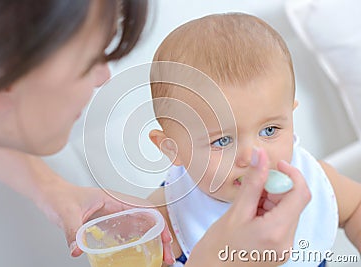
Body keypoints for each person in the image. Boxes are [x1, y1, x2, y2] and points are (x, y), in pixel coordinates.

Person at [0, 1, 311, 267]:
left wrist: (54, 191)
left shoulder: (309, 180)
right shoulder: (171, 220)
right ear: (3, 68)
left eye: (269, 129)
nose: (104, 77)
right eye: (91, 57)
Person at [148, 13, 361, 266]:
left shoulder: (314, 180)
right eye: (223, 141)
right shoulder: (163, 219)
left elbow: (356, 207)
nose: (253, 157)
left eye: (269, 130)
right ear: (173, 149)